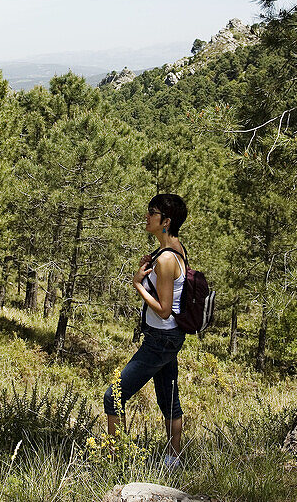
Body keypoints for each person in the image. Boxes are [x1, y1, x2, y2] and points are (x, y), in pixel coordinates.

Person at [103, 193, 188, 469]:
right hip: (169, 336)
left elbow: (164, 309)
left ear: (166, 221)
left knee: (113, 395)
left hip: (161, 338)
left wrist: (138, 284)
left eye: (152, 213)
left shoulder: (166, 259)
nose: (147, 216)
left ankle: (115, 459)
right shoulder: (173, 249)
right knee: (168, 397)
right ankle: (173, 460)